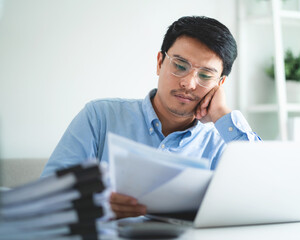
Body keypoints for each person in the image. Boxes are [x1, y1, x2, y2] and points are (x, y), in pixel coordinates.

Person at [41, 16, 261, 219]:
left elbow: (263, 191)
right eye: (180, 66)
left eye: (205, 75)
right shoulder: (99, 117)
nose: (188, 83)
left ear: (220, 84)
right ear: (159, 63)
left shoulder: (222, 142)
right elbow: (47, 196)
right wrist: (97, 204)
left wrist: (223, 115)